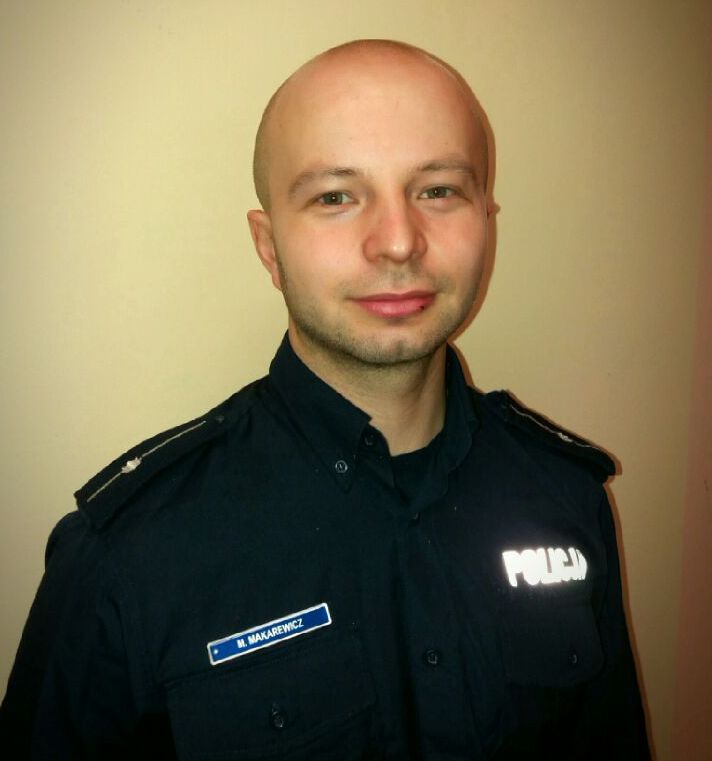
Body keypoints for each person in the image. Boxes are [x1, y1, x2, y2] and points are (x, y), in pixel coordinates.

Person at [1, 39, 649, 759]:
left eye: (438, 190)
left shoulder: (566, 496)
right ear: (268, 246)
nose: (399, 242)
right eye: (335, 197)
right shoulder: (125, 558)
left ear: (486, 218)